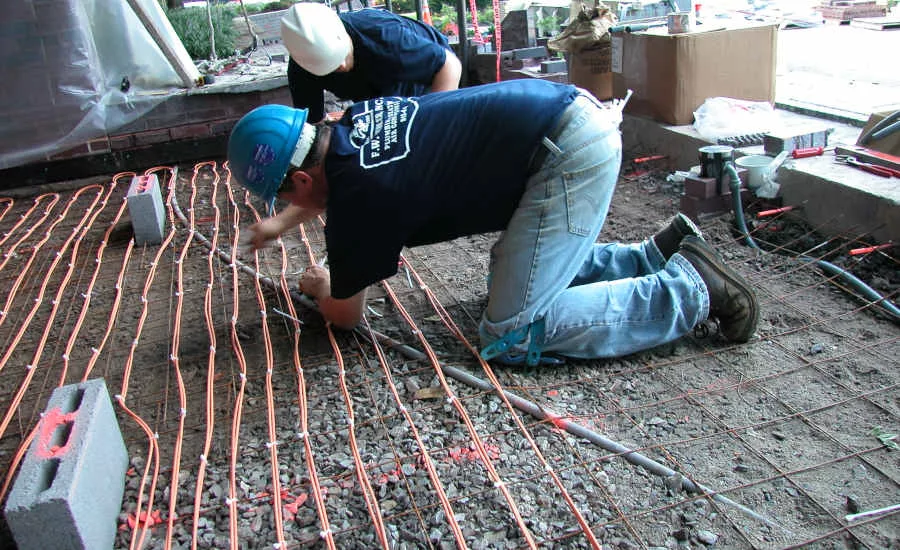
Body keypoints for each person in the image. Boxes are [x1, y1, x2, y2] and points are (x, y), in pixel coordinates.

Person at [226, 79, 759, 365]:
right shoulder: (351, 127)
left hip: (567, 152)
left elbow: (345, 318)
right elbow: (325, 187)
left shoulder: (360, 201)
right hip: (564, 115)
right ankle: (650, 259)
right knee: (508, 273)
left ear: (296, 183)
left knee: (510, 333)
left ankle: (691, 292)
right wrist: (281, 225)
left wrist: (324, 286)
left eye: (283, 197)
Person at [281, 3, 462, 124]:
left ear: (343, 34)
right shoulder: (301, 69)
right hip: (378, 89)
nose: (342, 66)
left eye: (341, 55)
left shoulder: (383, 36)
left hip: (431, 77)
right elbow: (315, 123)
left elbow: (449, 67)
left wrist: (433, 126)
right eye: (331, 67)